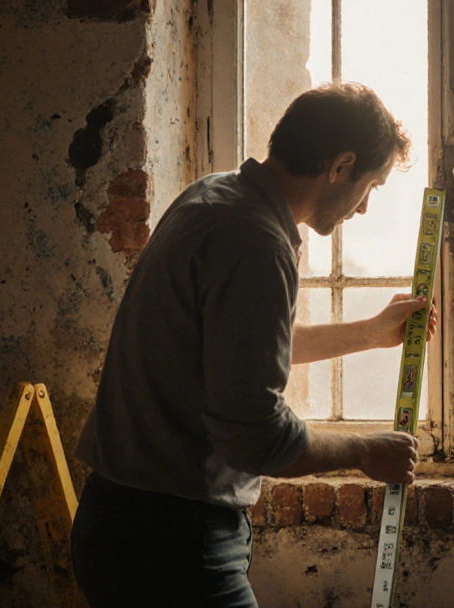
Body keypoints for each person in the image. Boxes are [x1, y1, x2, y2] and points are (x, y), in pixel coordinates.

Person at [71, 82, 434, 607]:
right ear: (340, 165)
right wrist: (363, 451)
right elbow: (254, 436)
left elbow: (237, 350)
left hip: (119, 522)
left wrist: (369, 333)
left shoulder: (213, 197)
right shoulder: (257, 246)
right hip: (172, 543)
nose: (362, 209)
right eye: (370, 187)